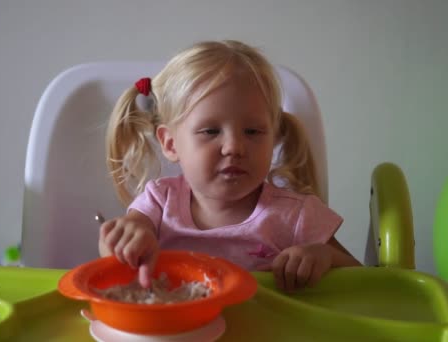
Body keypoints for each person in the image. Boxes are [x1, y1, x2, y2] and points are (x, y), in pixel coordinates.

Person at [99, 40, 361, 292]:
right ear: (170, 144)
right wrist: (125, 242)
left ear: (274, 137)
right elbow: (116, 250)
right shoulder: (158, 203)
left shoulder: (296, 216)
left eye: (253, 131)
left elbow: (366, 280)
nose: (234, 146)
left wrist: (323, 257)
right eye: (211, 131)